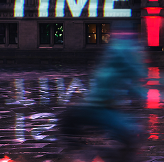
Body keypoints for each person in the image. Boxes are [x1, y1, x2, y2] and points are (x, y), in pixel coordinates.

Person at [59, 30, 147, 162]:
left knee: (131, 136)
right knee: (131, 136)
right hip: (97, 111)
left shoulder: (112, 65)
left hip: (96, 111)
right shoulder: (116, 65)